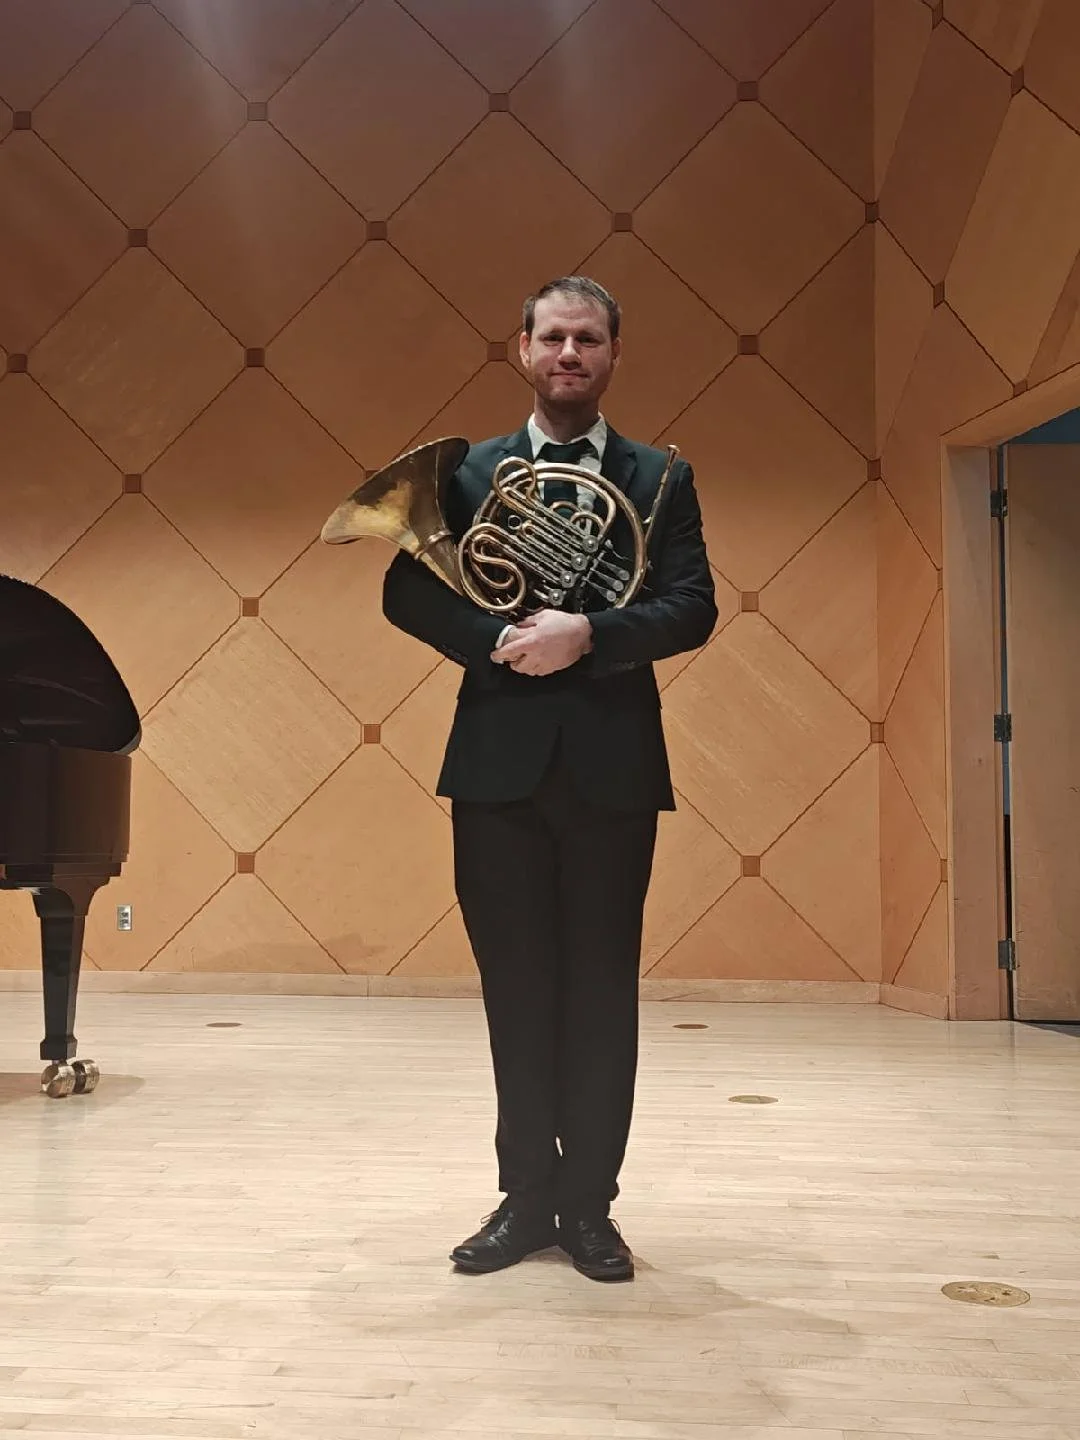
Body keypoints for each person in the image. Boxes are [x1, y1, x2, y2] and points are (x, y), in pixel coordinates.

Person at [381, 275, 717, 1282]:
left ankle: (590, 1209)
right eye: (554, 337)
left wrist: (591, 633)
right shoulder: (470, 474)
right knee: (515, 990)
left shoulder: (661, 477)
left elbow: (693, 606)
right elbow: (405, 592)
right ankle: (526, 1199)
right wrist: (498, 639)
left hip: (613, 766)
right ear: (522, 348)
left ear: (613, 354)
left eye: (589, 339)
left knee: (602, 992)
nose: (570, 353)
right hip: (498, 768)